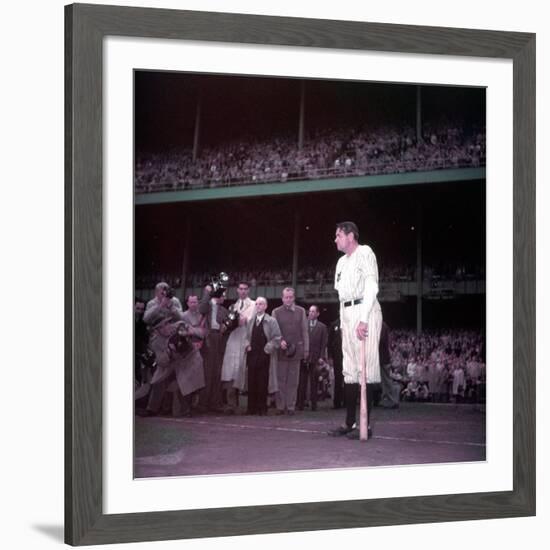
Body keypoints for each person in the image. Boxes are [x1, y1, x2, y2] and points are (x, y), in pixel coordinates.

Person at [329, 221, 383, 440]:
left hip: (365, 310)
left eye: (338, 235)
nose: (335, 239)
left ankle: (365, 424)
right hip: (347, 312)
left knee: (365, 367)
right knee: (349, 369)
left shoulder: (365, 252)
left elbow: (372, 286)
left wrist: (363, 320)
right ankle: (350, 422)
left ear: (350, 236)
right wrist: (345, 323)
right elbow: (341, 296)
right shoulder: (341, 262)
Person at [137, 282, 204, 417]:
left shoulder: (178, 325)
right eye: (163, 326)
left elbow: (200, 333)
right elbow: (161, 362)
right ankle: (152, 409)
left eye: (167, 323)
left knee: (184, 383)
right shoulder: (155, 341)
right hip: (168, 362)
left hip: (186, 360)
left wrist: (189, 333)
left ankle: (186, 410)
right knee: (157, 382)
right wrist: (169, 352)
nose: (166, 327)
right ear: (157, 329)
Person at [241, 297, 281, 415]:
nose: (258, 306)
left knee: (263, 383)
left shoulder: (271, 321)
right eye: (257, 304)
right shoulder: (251, 320)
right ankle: (250, 408)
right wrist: (247, 345)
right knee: (251, 381)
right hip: (252, 355)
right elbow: (246, 337)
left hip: (265, 355)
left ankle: (262, 409)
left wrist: (268, 349)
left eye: (261, 304)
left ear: (265, 306)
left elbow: (277, 338)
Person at [272, 287, 309, 415]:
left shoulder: (301, 311)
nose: (288, 299)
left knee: (293, 381)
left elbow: (305, 331)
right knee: (280, 380)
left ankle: (291, 406)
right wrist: (279, 340)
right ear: (282, 298)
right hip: (281, 351)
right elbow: (273, 331)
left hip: (296, 351)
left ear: (294, 298)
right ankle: (280, 407)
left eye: (290, 297)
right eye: (286, 297)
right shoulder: (275, 312)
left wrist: (306, 349)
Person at [220, 281, 256, 413]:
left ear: (249, 291)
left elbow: (246, 321)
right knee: (230, 372)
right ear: (237, 290)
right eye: (240, 289)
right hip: (233, 340)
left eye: (245, 289)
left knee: (242, 372)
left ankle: (249, 405)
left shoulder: (253, 305)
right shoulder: (232, 306)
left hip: (246, 340)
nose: (243, 291)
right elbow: (229, 324)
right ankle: (231, 404)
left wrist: (239, 320)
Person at [198, 284, 229, 412]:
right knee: (207, 372)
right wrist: (207, 292)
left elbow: (228, 322)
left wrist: (226, 326)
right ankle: (203, 404)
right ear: (218, 295)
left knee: (217, 372)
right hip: (209, 337)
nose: (225, 298)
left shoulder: (223, 310)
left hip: (219, 339)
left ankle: (215, 403)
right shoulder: (207, 305)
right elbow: (201, 309)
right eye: (223, 296)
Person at [297, 305, 328, 411]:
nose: (311, 313)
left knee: (314, 382)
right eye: (310, 311)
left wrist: (321, 357)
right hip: (303, 357)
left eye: (313, 311)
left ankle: (314, 404)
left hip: (315, 358)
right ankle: (300, 404)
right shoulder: (303, 325)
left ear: (318, 313)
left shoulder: (322, 327)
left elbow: (323, 344)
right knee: (302, 382)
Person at [379, 321, 399, 409]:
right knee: (383, 381)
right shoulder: (382, 325)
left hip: (383, 357)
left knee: (386, 380)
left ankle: (393, 400)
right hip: (382, 357)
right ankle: (386, 399)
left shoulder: (382, 325)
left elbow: (381, 340)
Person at [327, 315, 344, 409]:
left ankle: (347, 402)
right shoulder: (334, 325)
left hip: (349, 356)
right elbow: (329, 342)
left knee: (348, 380)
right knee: (338, 379)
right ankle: (337, 402)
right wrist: (329, 357)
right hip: (337, 357)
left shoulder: (351, 322)